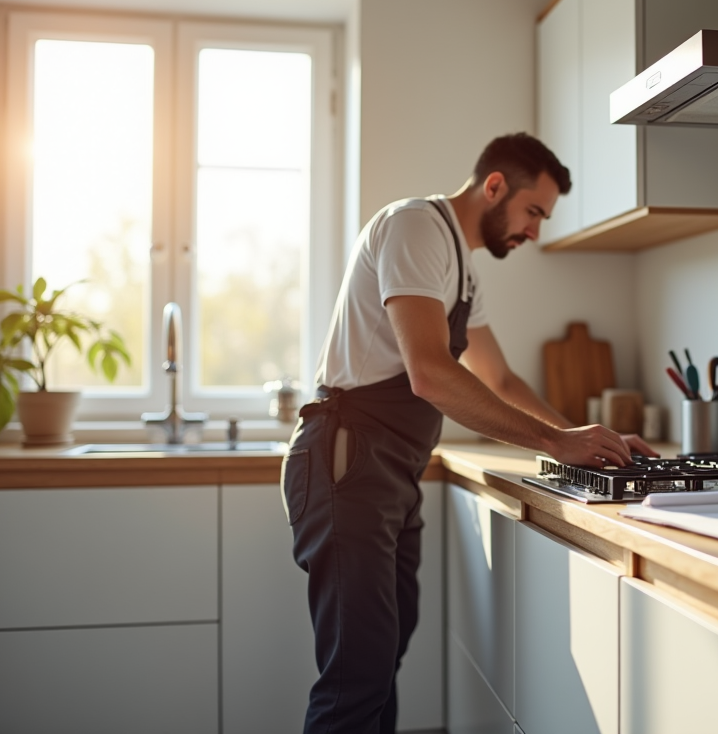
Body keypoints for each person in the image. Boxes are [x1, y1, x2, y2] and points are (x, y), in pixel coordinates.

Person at [281, 132, 656, 734]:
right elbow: (431, 373)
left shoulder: (463, 270)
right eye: (534, 211)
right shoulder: (414, 228)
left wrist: (588, 436)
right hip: (346, 463)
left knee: (385, 654)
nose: (536, 231)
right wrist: (558, 445)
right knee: (357, 678)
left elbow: (499, 379)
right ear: (495, 186)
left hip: (389, 471)